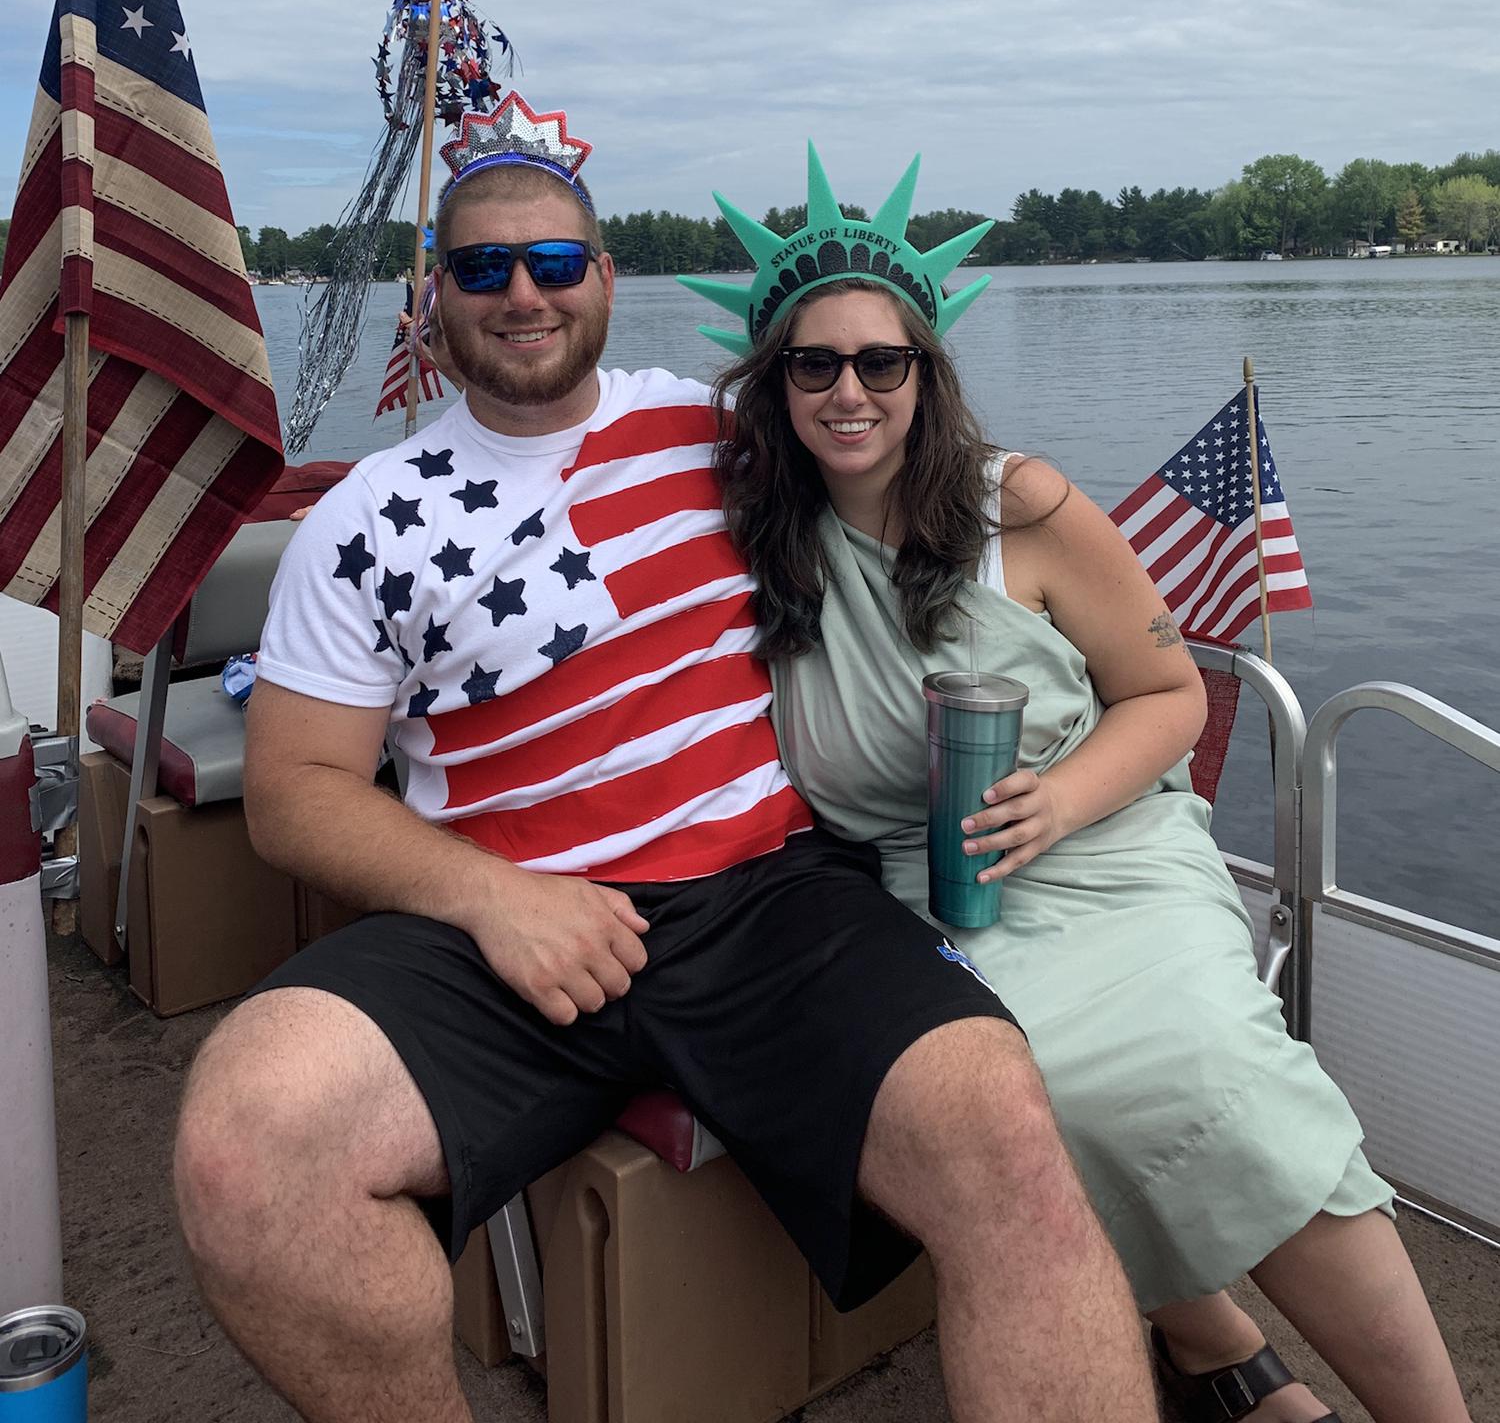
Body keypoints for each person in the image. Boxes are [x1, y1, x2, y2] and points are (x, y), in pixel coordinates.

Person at [172, 95, 1160, 1423]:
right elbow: (292, 794)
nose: (522, 292)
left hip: (763, 896)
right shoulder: (364, 521)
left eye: (554, 262)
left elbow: (900, 451)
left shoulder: (720, 436)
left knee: (1006, 1143)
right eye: (481, 267)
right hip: (502, 921)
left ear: (603, 280)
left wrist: (1046, 532)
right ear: (437, 293)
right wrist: (490, 899)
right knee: (247, 1148)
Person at [691, 145, 1473, 1423]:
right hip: (920, 887)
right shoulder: (755, 533)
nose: (847, 389)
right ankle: (1210, 1329)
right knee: (1015, 1090)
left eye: (880, 361)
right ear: (771, 381)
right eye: (812, 362)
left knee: (1212, 1068)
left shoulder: (1023, 506)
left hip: (1106, 842)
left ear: (925, 373)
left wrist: (1058, 800)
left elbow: (1170, 698)